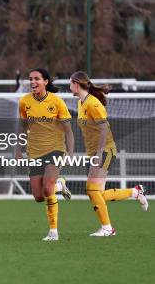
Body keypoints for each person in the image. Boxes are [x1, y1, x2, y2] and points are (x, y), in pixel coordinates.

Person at [69, 71, 148, 236]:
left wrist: (98, 153)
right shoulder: (80, 103)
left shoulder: (93, 103)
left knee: (91, 190)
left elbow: (104, 129)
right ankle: (134, 192)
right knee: (98, 194)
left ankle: (107, 228)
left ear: (76, 84)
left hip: (104, 150)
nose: (69, 87)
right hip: (94, 152)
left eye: (71, 83)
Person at [16, 68, 74, 241]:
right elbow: (22, 126)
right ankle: (60, 185)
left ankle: (53, 232)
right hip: (34, 152)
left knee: (47, 188)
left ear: (45, 82)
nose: (32, 82)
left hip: (55, 149)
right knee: (39, 197)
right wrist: (18, 150)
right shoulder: (24, 102)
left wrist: (70, 153)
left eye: (37, 79)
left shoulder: (56, 102)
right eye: (30, 79)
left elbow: (69, 131)